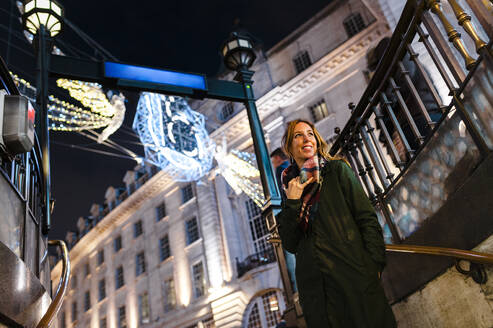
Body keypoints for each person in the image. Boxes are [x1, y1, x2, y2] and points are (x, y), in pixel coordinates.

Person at [276, 119, 396, 327]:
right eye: (298, 135)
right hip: (317, 293)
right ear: (288, 146)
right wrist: (293, 202)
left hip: (353, 278)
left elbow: (366, 218)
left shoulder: (336, 170)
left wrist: (374, 265)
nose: (306, 138)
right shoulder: (290, 189)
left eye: (310, 133)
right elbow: (290, 243)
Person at [270, 148, 298, 293]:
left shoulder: (282, 169)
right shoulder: (293, 167)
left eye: (274, 161)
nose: (274, 164)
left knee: (291, 259)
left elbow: (282, 192)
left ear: (279, 159)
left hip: (289, 213)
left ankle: (297, 293)